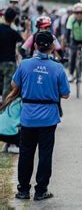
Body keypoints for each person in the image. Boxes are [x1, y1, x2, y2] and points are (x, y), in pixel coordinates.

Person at [3, 31, 70, 201]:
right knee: (45, 154)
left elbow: (13, 84)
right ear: (52, 47)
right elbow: (66, 94)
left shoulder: (25, 65)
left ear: (34, 46)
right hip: (48, 118)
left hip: (28, 117)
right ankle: (41, 191)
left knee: (26, 153)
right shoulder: (57, 68)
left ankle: (23, 190)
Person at [0, 7, 24, 102]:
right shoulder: (14, 33)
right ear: (14, 19)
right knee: (7, 87)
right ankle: (4, 109)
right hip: (9, 62)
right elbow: (24, 41)